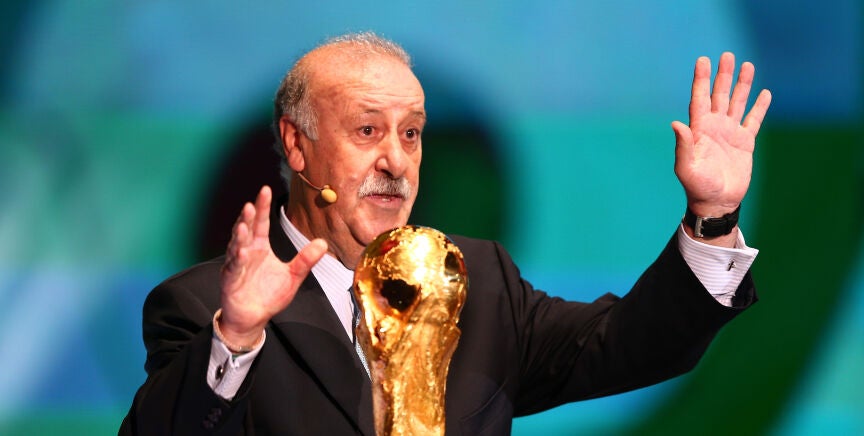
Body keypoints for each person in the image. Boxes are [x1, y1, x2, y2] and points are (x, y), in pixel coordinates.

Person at [120, 32, 771, 435]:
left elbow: (634, 345)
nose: (396, 161)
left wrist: (712, 217)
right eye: (367, 131)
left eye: (411, 133)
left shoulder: (477, 280)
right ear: (297, 144)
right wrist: (236, 337)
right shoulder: (204, 307)